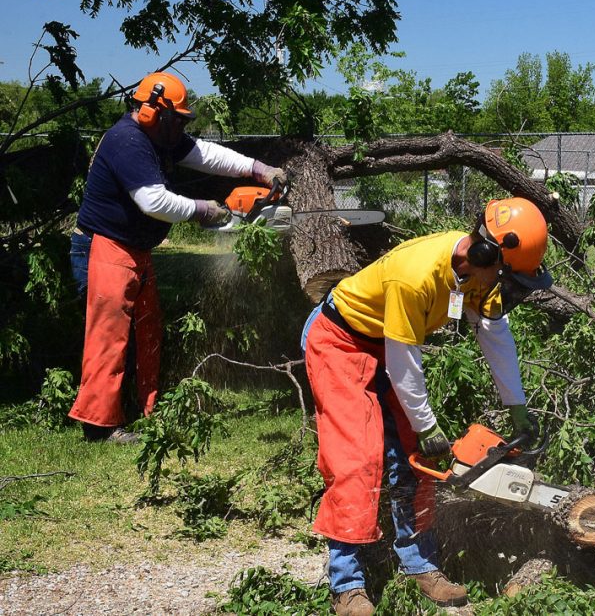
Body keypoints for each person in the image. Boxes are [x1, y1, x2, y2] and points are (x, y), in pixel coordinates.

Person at [301, 197, 552, 615]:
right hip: (340, 342)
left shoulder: (474, 272)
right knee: (356, 460)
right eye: (511, 282)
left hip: (384, 346)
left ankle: (420, 564)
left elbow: (493, 333)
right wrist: (426, 424)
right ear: (486, 256)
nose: (510, 294)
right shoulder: (415, 278)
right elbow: (404, 361)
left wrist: (517, 406)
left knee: (415, 461)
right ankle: (346, 583)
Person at [68, 71, 285, 443]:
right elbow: (152, 200)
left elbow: (209, 155)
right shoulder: (128, 141)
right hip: (103, 247)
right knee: (110, 337)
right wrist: (202, 209)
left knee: (145, 330)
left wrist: (257, 169)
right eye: (177, 120)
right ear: (155, 112)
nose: (180, 129)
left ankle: (140, 408)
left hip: (132, 249)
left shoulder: (161, 138)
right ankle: (99, 426)